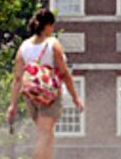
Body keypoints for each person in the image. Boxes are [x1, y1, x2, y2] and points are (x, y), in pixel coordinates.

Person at [7, 9, 84, 159]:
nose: (53, 29)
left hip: (31, 96)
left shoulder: (24, 46)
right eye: (52, 26)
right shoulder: (52, 43)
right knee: (44, 135)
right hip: (50, 95)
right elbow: (64, 72)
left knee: (47, 134)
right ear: (47, 25)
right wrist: (75, 97)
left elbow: (17, 78)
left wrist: (13, 105)